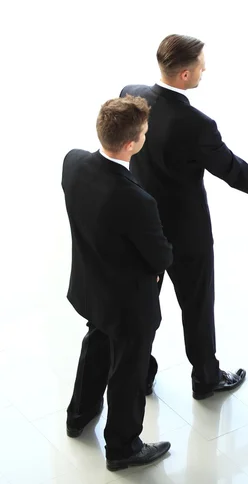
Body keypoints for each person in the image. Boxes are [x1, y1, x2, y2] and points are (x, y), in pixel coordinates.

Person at [121, 34, 248, 401]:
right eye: (202, 66)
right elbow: (234, 172)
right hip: (186, 233)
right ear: (186, 74)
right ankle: (205, 378)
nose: (206, 70)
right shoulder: (197, 123)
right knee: (197, 306)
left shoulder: (131, 94)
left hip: (141, 227)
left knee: (141, 307)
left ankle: (139, 375)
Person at [62, 96, 173, 470]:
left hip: (91, 288)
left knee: (96, 342)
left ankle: (79, 414)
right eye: (143, 133)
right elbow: (161, 257)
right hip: (128, 304)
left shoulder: (73, 163)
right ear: (131, 144)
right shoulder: (136, 199)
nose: (146, 136)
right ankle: (123, 447)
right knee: (128, 370)